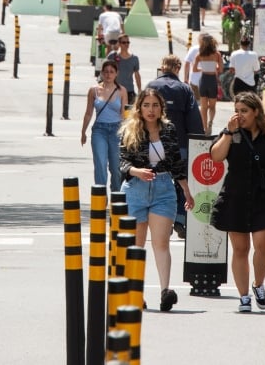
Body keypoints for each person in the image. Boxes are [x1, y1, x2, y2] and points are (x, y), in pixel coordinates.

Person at [209, 92, 265, 312]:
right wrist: (229, 132)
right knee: (240, 249)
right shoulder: (230, 134)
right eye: (236, 111)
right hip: (235, 196)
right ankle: (244, 296)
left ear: (256, 112)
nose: (239, 115)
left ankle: (258, 284)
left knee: (263, 246)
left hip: (263, 196)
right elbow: (216, 156)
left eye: (244, 111)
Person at [118, 88, 194, 312]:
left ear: (161, 108)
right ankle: (136, 294)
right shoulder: (130, 130)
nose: (151, 110)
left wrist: (187, 192)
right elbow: (122, 162)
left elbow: (176, 164)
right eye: (146, 105)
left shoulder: (168, 130)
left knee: (161, 244)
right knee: (137, 246)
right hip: (135, 188)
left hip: (163, 189)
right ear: (139, 108)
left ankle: (165, 292)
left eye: (155, 105)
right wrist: (136, 171)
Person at [146, 55, 204, 239]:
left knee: (157, 181)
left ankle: (163, 220)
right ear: (178, 68)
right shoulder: (185, 90)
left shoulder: (151, 87)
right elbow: (194, 120)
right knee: (181, 183)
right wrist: (199, 142)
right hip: (180, 145)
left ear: (162, 67)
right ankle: (179, 219)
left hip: (155, 143)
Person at [81, 60, 128, 191]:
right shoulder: (93, 90)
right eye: (106, 72)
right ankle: (100, 197)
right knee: (100, 164)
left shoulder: (121, 91)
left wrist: (127, 134)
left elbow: (124, 115)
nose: (108, 75)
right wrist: (83, 132)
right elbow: (88, 113)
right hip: (99, 130)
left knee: (116, 167)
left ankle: (116, 196)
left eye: (111, 72)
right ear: (101, 73)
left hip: (116, 130)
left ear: (116, 73)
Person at [193, 33, 223, 132]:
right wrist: (214, 68)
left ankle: (205, 128)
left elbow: (194, 69)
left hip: (203, 80)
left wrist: (203, 68)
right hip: (212, 80)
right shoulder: (217, 54)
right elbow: (221, 69)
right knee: (212, 106)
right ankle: (211, 122)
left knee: (204, 107)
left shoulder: (199, 55)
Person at [107, 34, 141, 105]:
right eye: (124, 42)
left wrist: (139, 89)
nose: (126, 44)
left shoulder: (134, 58)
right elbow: (105, 71)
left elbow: (137, 74)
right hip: (114, 91)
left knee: (128, 114)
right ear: (119, 44)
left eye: (128, 42)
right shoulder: (112, 56)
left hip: (129, 92)